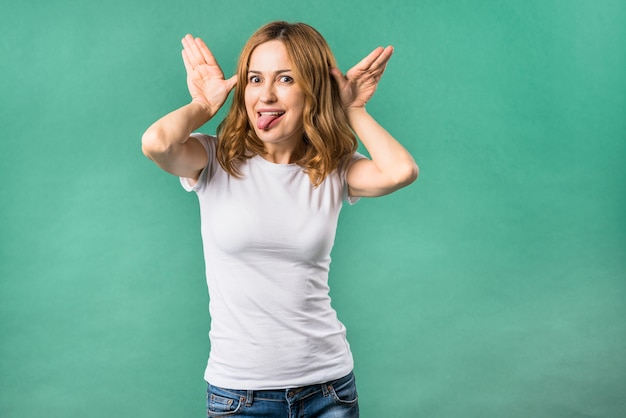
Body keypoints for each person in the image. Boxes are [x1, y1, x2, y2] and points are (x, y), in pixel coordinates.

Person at [142, 20, 417, 418]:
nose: (265, 95)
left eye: (285, 79)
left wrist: (351, 108)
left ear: (312, 90)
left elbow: (400, 171)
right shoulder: (215, 159)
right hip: (240, 395)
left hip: (328, 388)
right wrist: (203, 106)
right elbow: (157, 143)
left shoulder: (332, 169)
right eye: (255, 79)